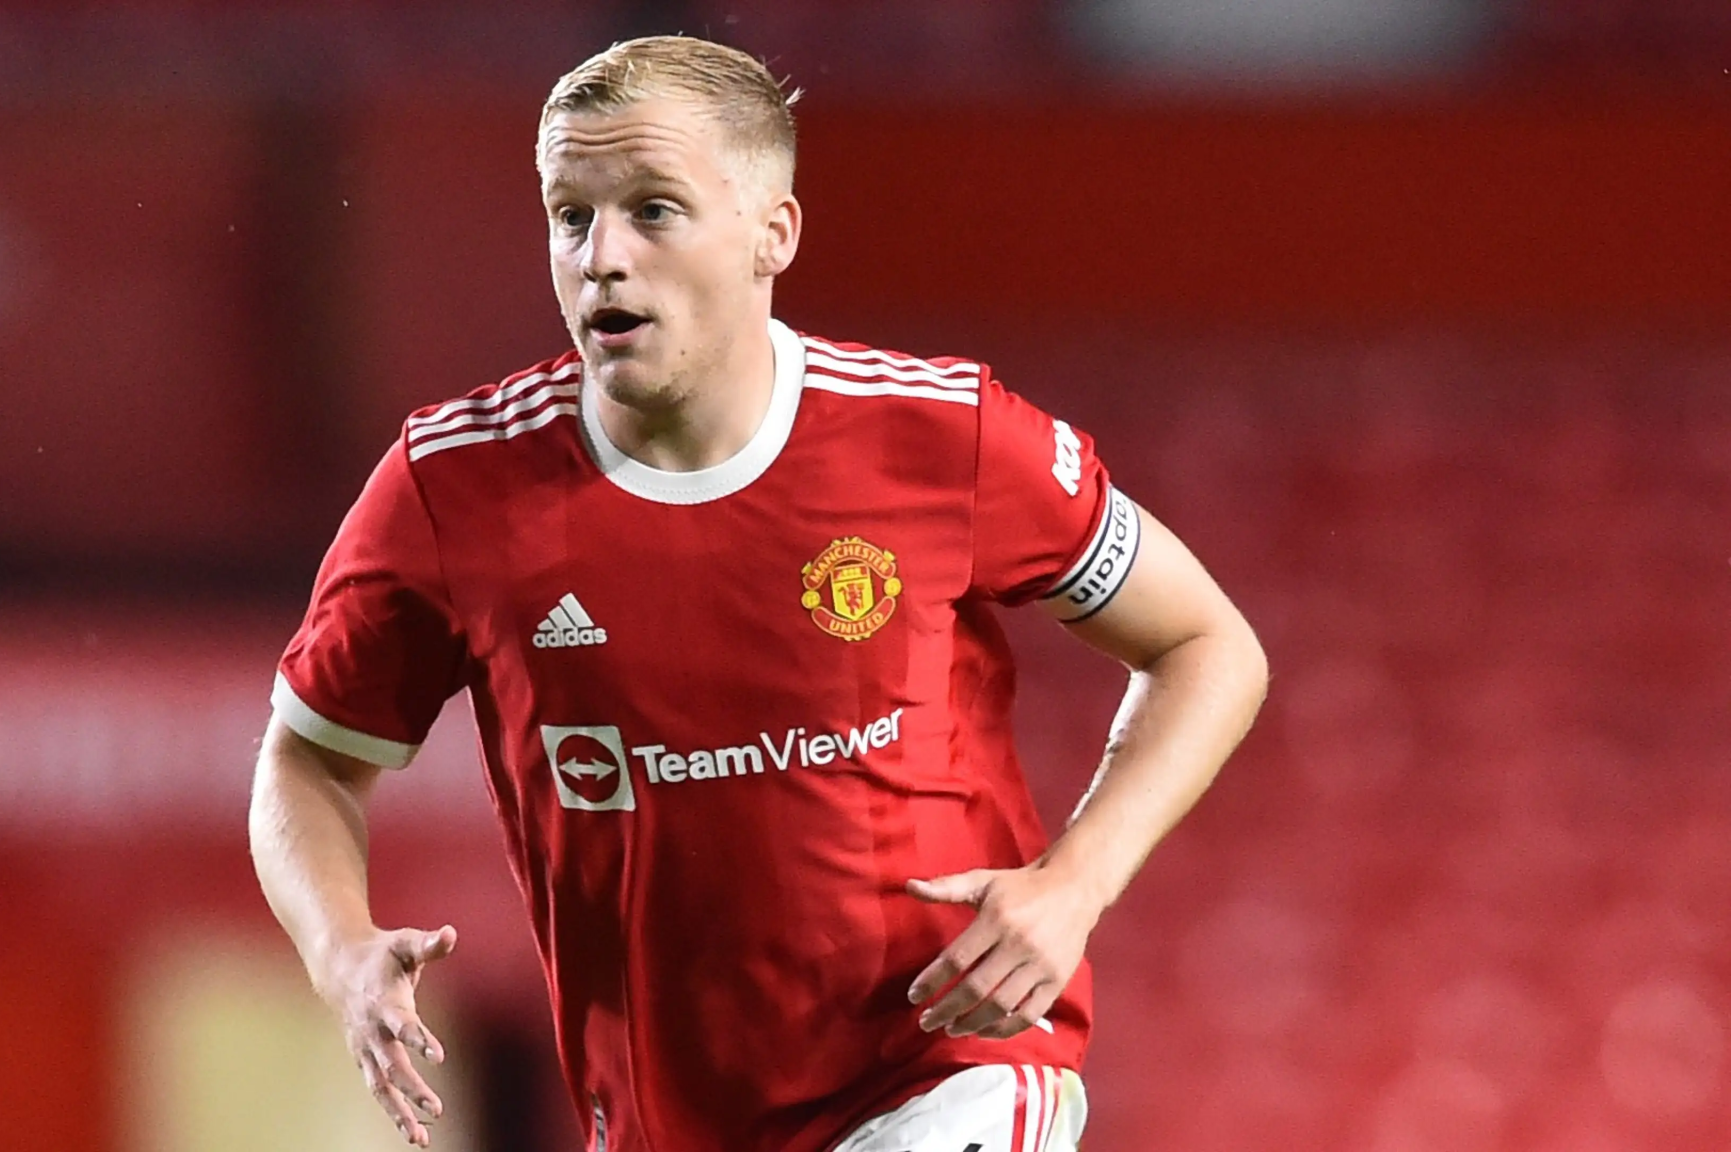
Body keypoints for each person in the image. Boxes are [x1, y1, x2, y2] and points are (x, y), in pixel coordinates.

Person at [249, 34, 1267, 1152]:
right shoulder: (452, 489)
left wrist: (1076, 882)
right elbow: (308, 761)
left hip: (946, 1072)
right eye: (570, 215)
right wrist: (340, 949)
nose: (601, 257)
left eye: (652, 209)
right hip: (664, 1117)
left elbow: (1205, 645)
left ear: (771, 234)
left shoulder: (942, 438)